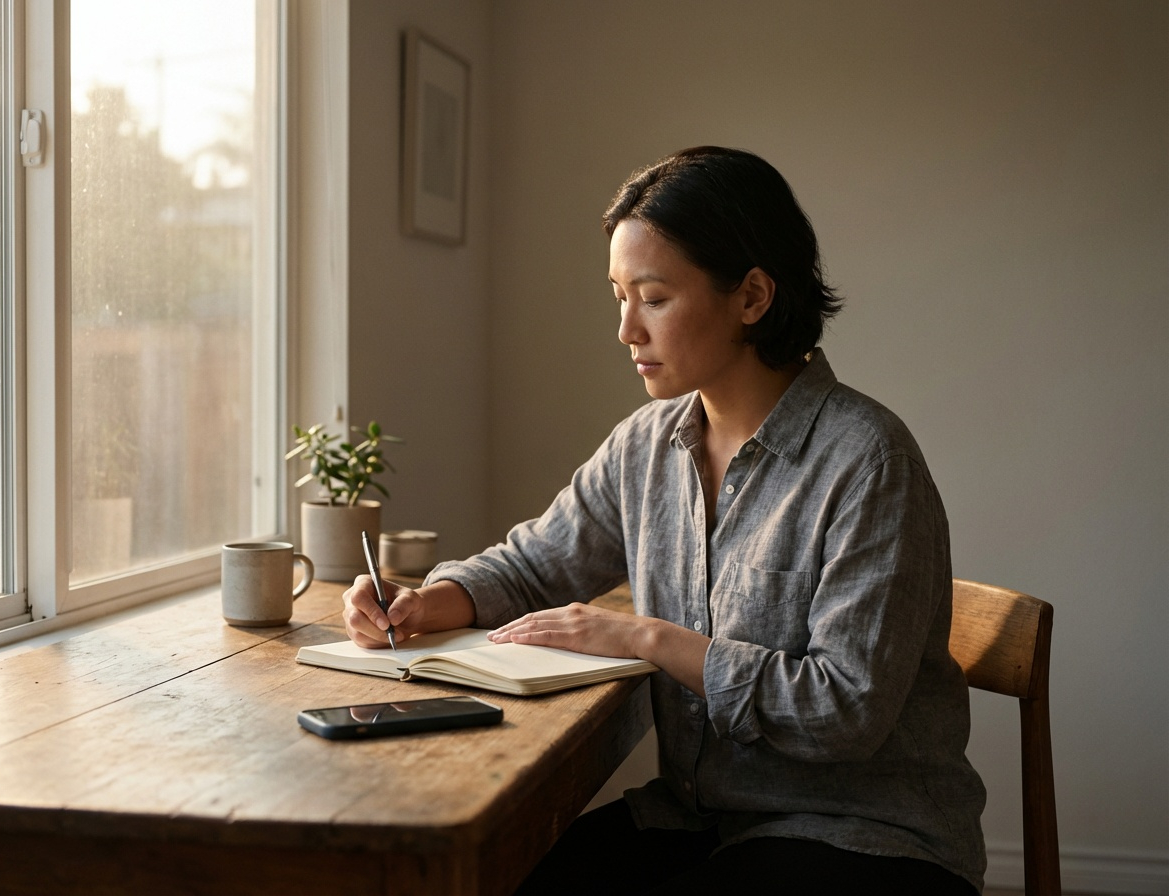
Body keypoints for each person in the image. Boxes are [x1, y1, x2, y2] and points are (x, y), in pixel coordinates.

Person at [343, 146, 987, 895]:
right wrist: (425, 602)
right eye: (618, 296)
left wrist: (646, 638)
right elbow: (533, 565)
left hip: (866, 837)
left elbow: (843, 710)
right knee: (500, 877)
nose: (626, 330)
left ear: (752, 297)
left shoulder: (868, 461)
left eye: (653, 298)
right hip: (696, 820)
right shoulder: (646, 446)